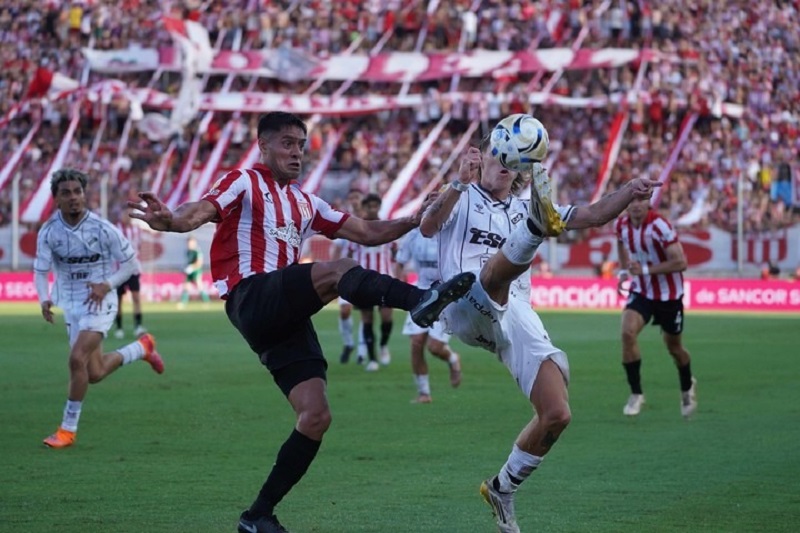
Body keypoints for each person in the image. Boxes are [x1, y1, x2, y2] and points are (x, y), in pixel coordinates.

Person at [128, 112, 474, 533]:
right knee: (336, 269)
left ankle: (258, 515)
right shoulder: (243, 180)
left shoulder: (305, 202)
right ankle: (422, 300)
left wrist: (411, 218)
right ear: (264, 146)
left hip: (282, 315)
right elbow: (198, 210)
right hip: (251, 295)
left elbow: (365, 230)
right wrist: (171, 221)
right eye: (288, 143)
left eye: (301, 145)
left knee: (315, 415)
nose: (297, 152)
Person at [420, 142, 661, 533]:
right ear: (480, 160)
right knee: (489, 281)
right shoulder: (460, 194)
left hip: (516, 314)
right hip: (464, 302)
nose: (504, 164)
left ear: (520, 172)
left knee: (557, 414)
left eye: (514, 160)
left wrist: (630, 189)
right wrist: (456, 183)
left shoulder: (520, 204)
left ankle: (502, 488)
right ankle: (533, 232)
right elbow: (428, 226)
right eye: (497, 154)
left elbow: (596, 214)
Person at [34, 169, 165, 449]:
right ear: (56, 198)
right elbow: (40, 270)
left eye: (77, 192)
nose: (73, 198)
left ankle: (67, 430)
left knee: (75, 359)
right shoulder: (49, 232)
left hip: (100, 302)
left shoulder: (102, 228)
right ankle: (142, 348)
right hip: (71, 305)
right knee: (93, 373)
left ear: (85, 194)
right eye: (66, 193)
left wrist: (107, 285)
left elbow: (131, 264)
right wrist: (44, 298)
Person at [615, 197, 696, 418]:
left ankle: (687, 386)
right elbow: (620, 242)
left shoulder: (660, 225)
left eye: (641, 200)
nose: (636, 204)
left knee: (674, 348)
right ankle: (636, 393)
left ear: (648, 203)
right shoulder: (621, 225)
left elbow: (681, 263)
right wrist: (623, 272)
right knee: (627, 332)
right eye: (631, 200)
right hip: (641, 291)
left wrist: (646, 270)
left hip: (669, 296)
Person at [395, 227, 462, 403]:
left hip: (445, 294)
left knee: (435, 348)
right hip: (420, 293)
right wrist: (397, 288)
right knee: (416, 343)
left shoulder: (452, 230)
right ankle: (424, 393)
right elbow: (399, 262)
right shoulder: (414, 235)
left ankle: (453, 358)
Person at [346, 193, 398, 371]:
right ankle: (373, 359)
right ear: (365, 207)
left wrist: (396, 273)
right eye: (369, 206)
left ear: (379, 207)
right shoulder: (358, 228)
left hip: (384, 280)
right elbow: (351, 254)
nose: (372, 209)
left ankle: (383, 345)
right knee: (367, 319)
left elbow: (395, 253)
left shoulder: (387, 227)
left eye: (376, 206)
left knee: (386, 318)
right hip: (363, 281)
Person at [331, 188, 363, 363]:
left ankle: (363, 352)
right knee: (345, 311)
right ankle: (349, 343)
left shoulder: (368, 220)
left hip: (366, 271)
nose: (354, 200)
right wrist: (333, 269)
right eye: (351, 197)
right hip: (347, 273)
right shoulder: (345, 222)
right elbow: (337, 247)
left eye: (356, 197)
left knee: (366, 313)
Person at [113, 210, 146, 338]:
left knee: (136, 298)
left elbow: (139, 247)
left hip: (133, 270)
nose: (127, 217)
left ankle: (138, 326)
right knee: (118, 300)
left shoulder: (136, 230)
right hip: (119, 270)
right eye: (125, 214)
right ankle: (119, 327)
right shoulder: (116, 229)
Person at [177, 235, 211, 308]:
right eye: (188, 243)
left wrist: (191, 268)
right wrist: (185, 268)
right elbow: (188, 261)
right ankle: (183, 303)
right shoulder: (188, 251)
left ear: (194, 243)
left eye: (191, 243)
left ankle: (206, 302)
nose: (189, 244)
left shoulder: (197, 251)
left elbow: (199, 263)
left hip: (196, 271)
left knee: (199, 286)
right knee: (186, 287)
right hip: (189, 272)